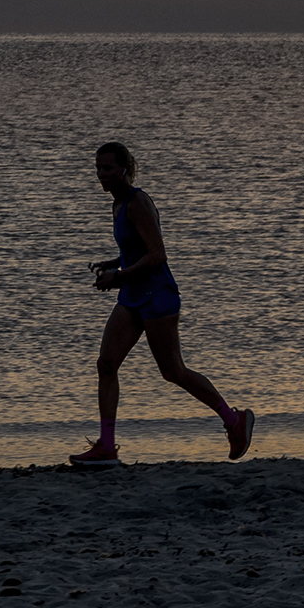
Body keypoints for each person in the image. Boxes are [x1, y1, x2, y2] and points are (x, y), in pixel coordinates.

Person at [69, 142, 255, 466]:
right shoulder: (117, 205)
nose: (101, 174)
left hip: (157, 295)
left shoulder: (137, 202)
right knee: (106, 364)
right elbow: (135, 251)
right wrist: (113, 265)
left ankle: (234, 421)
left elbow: (158, 255)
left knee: (172, 371)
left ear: (125, 169)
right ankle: (107, 446)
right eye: (97, 168)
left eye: (108, 168)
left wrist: (119, 275)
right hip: (131, 296)